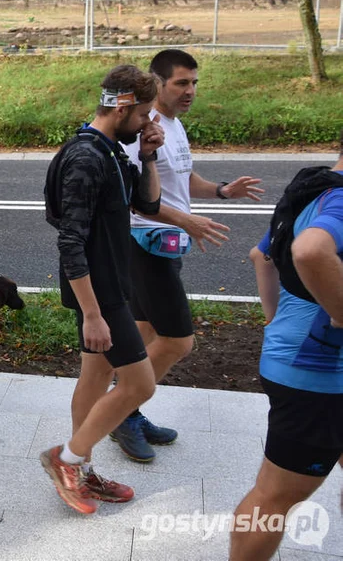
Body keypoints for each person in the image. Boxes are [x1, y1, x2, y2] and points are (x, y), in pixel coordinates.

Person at [116, 49, 265, 461]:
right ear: (158, 83)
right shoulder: (142, 130)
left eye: (195, 82)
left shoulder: (175, 127)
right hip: (144, 243)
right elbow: (132, 198)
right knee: (179, 341)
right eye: (182, 83)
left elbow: (182, 178)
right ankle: (122, 412)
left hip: (164, 242)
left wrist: (220, 190)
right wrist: (186, 221)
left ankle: (126, 406)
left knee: (144, 334)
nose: (190, 91)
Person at [41, 64, 164, 514]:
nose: (150, 123)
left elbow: (146, 204)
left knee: (94, 378)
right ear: (125, 105)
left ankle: (85, 473)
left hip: (111, 283)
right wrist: (93, 313)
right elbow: (69, 241)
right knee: (139, 384)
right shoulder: (86, 158)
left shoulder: (113, 150)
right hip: (100, 292)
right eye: (147, 115)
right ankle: (66, 459)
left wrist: (148, 155)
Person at [230, 132, 343, 560]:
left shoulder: (315, 189)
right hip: (318, 373)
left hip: (296, 356)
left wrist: (273, 319)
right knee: (276, 496)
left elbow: (262, 256)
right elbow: (310, 252)